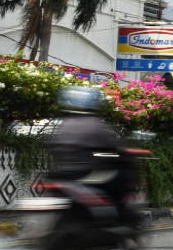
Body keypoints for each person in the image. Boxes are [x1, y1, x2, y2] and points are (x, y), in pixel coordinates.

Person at [47, 86, 138, 229]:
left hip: (63, 174)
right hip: (88, 175)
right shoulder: (95, 125)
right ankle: (115, 215)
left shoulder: (63, 125)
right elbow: (115, 149)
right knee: (121, 177)